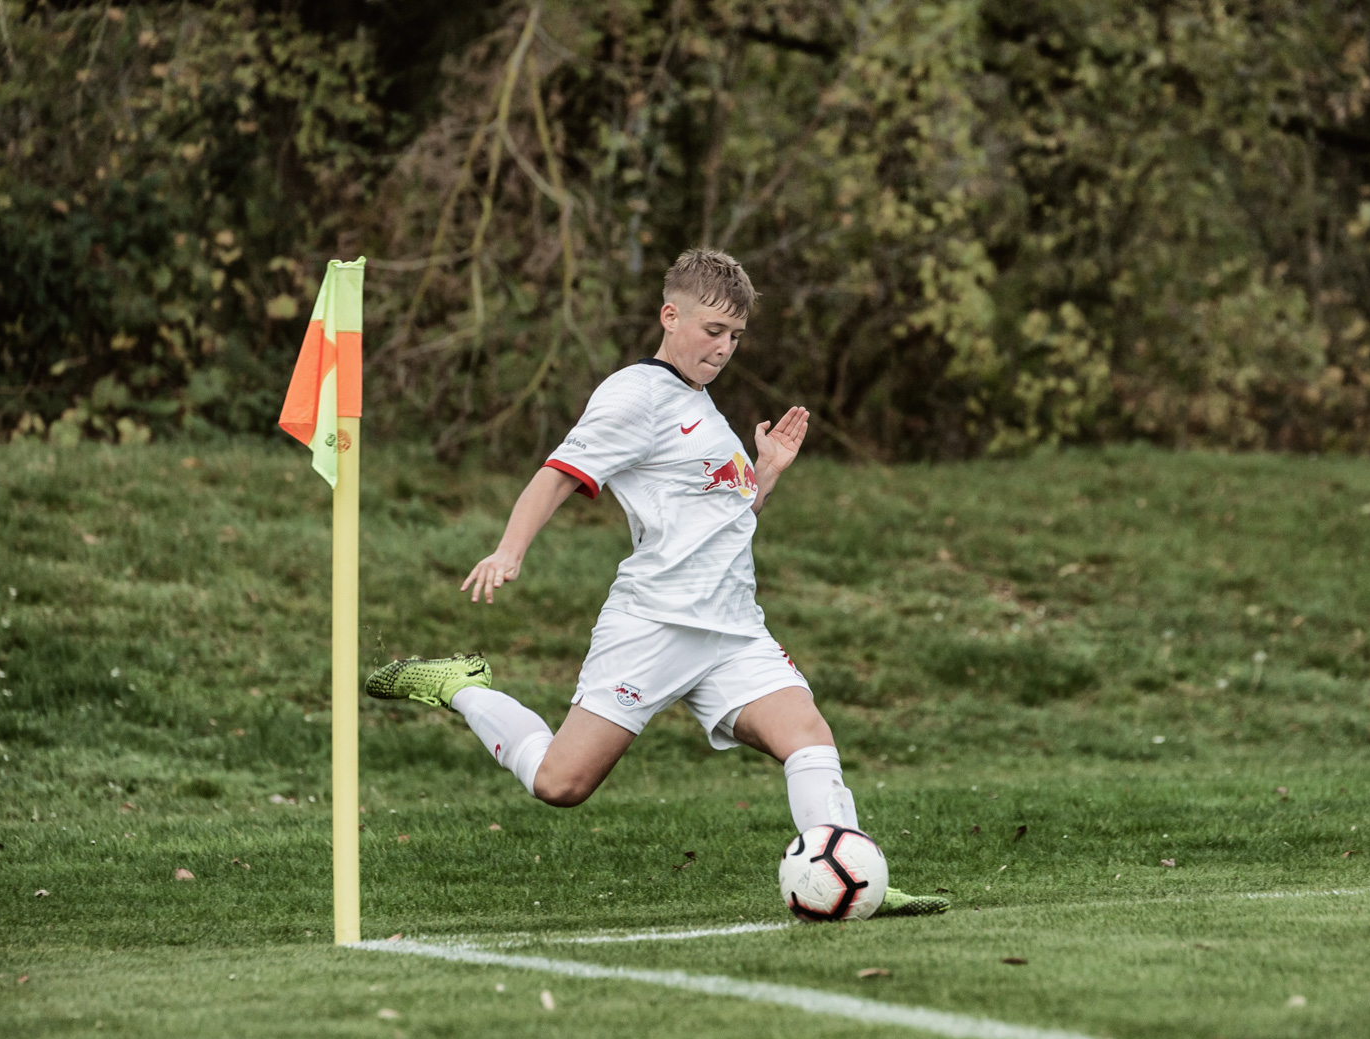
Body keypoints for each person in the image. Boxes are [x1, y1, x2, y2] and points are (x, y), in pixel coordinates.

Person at [364, 247, 946, 917]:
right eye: (713, 330)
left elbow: (724, 517)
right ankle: (463, 686)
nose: (724, 347)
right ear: (671, 316)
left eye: (735, 337)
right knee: (561, 783)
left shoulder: (701, 404)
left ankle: (856, 876)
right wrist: (509, 550)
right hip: (655, 625)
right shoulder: (634, 396)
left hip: (731, 629)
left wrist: (768, 471)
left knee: (808, 737)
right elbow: (557, 472)